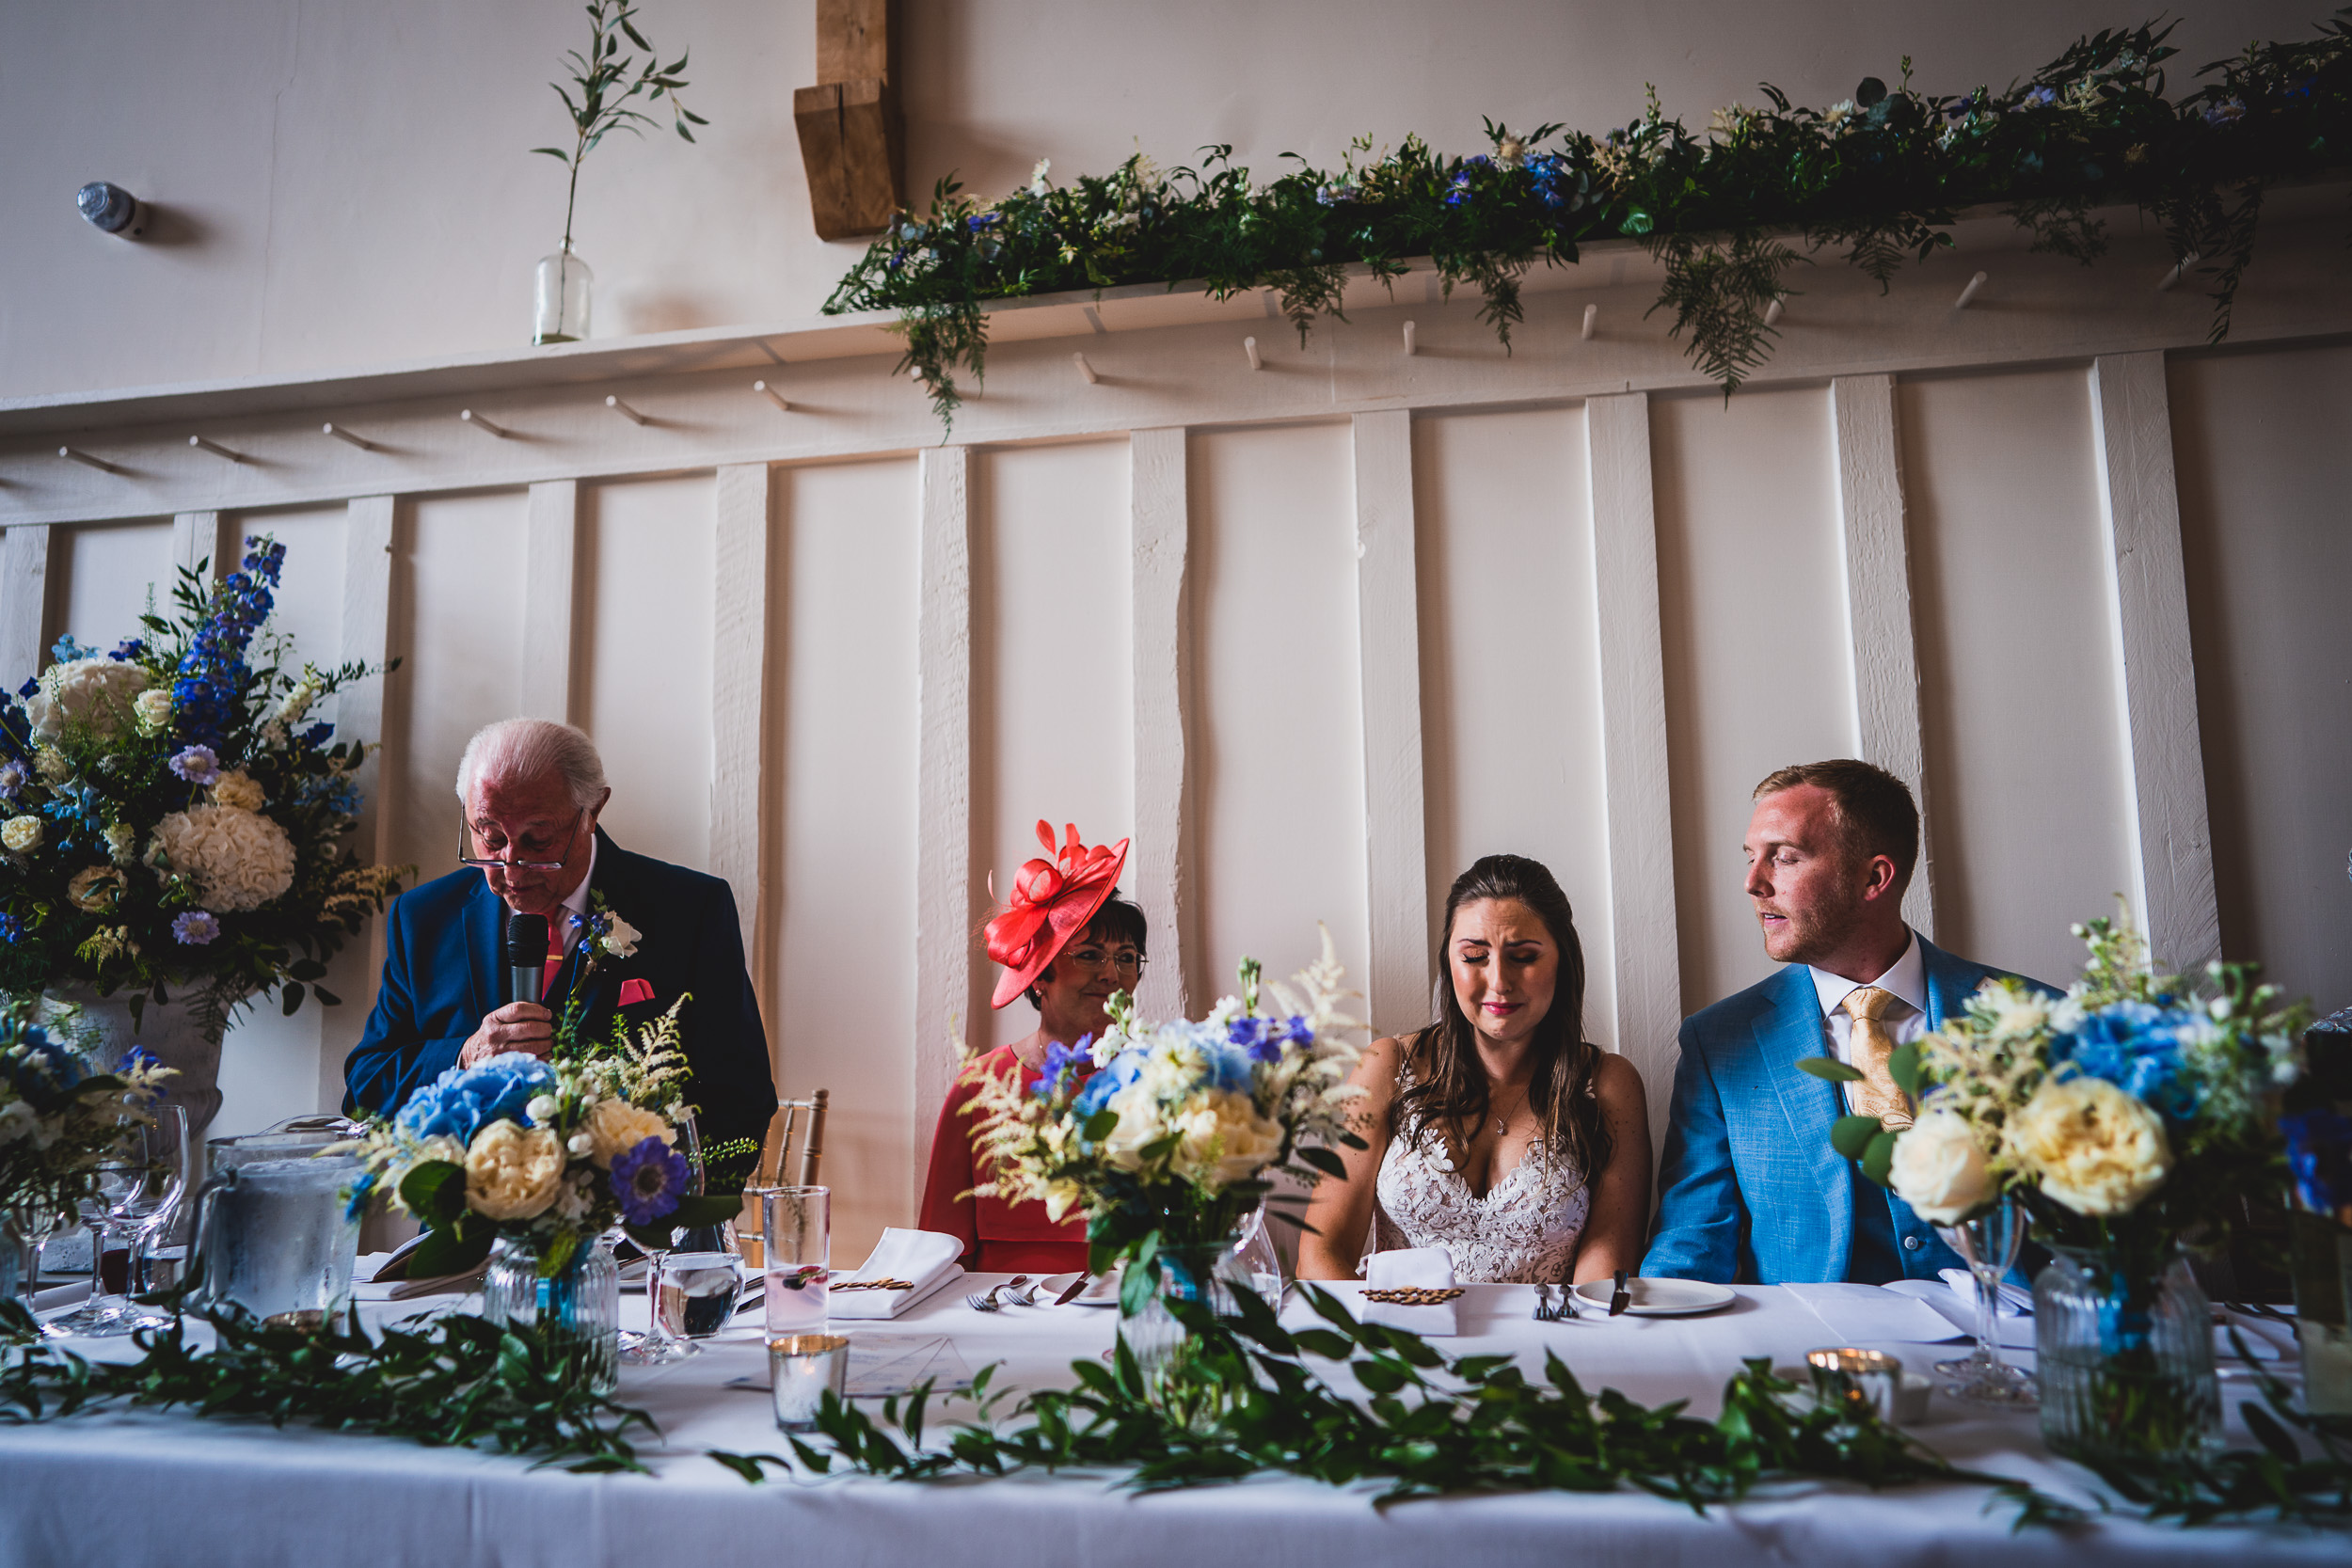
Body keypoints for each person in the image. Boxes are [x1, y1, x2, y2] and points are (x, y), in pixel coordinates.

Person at [1644, 759, 2054, 1285]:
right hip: (1810, 1355)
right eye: (1751, 858)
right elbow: (1693, 1240)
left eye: (1784, 858)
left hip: (2008, 1350)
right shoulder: (1720, 1041)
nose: (1753, 883)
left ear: (1873, 877)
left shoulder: (2029, 1017)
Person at [342, 719, 778, 1157]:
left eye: (538, 839)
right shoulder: (423, 919)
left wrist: (659, 1200)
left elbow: (743, 1099)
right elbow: (365, 1088)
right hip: (468, 1217)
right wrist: (464, 1057)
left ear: (593, 811)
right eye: (490, 837)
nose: (512, 868)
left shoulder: (691, 910)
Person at [1297, 854, 1651, 1285]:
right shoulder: (1386, 1067)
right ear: (1449, 963)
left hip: (1550, 1340)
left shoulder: (1609, 1084)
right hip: (1399, 1340)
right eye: (1475, 956)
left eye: (1523, 956)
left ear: (1563, 961)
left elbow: (1604, 1273)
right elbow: (1319, 1254)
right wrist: (1384, 1346)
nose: (1499, 980)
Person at [918, 820, 1141, 1275]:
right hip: (998, 1315)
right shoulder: (982, 1087)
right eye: (1090, 954)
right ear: (1039, 974)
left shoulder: (1161, 1080)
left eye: (1126, 957)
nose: (1112, 974)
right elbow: (941, 1246)